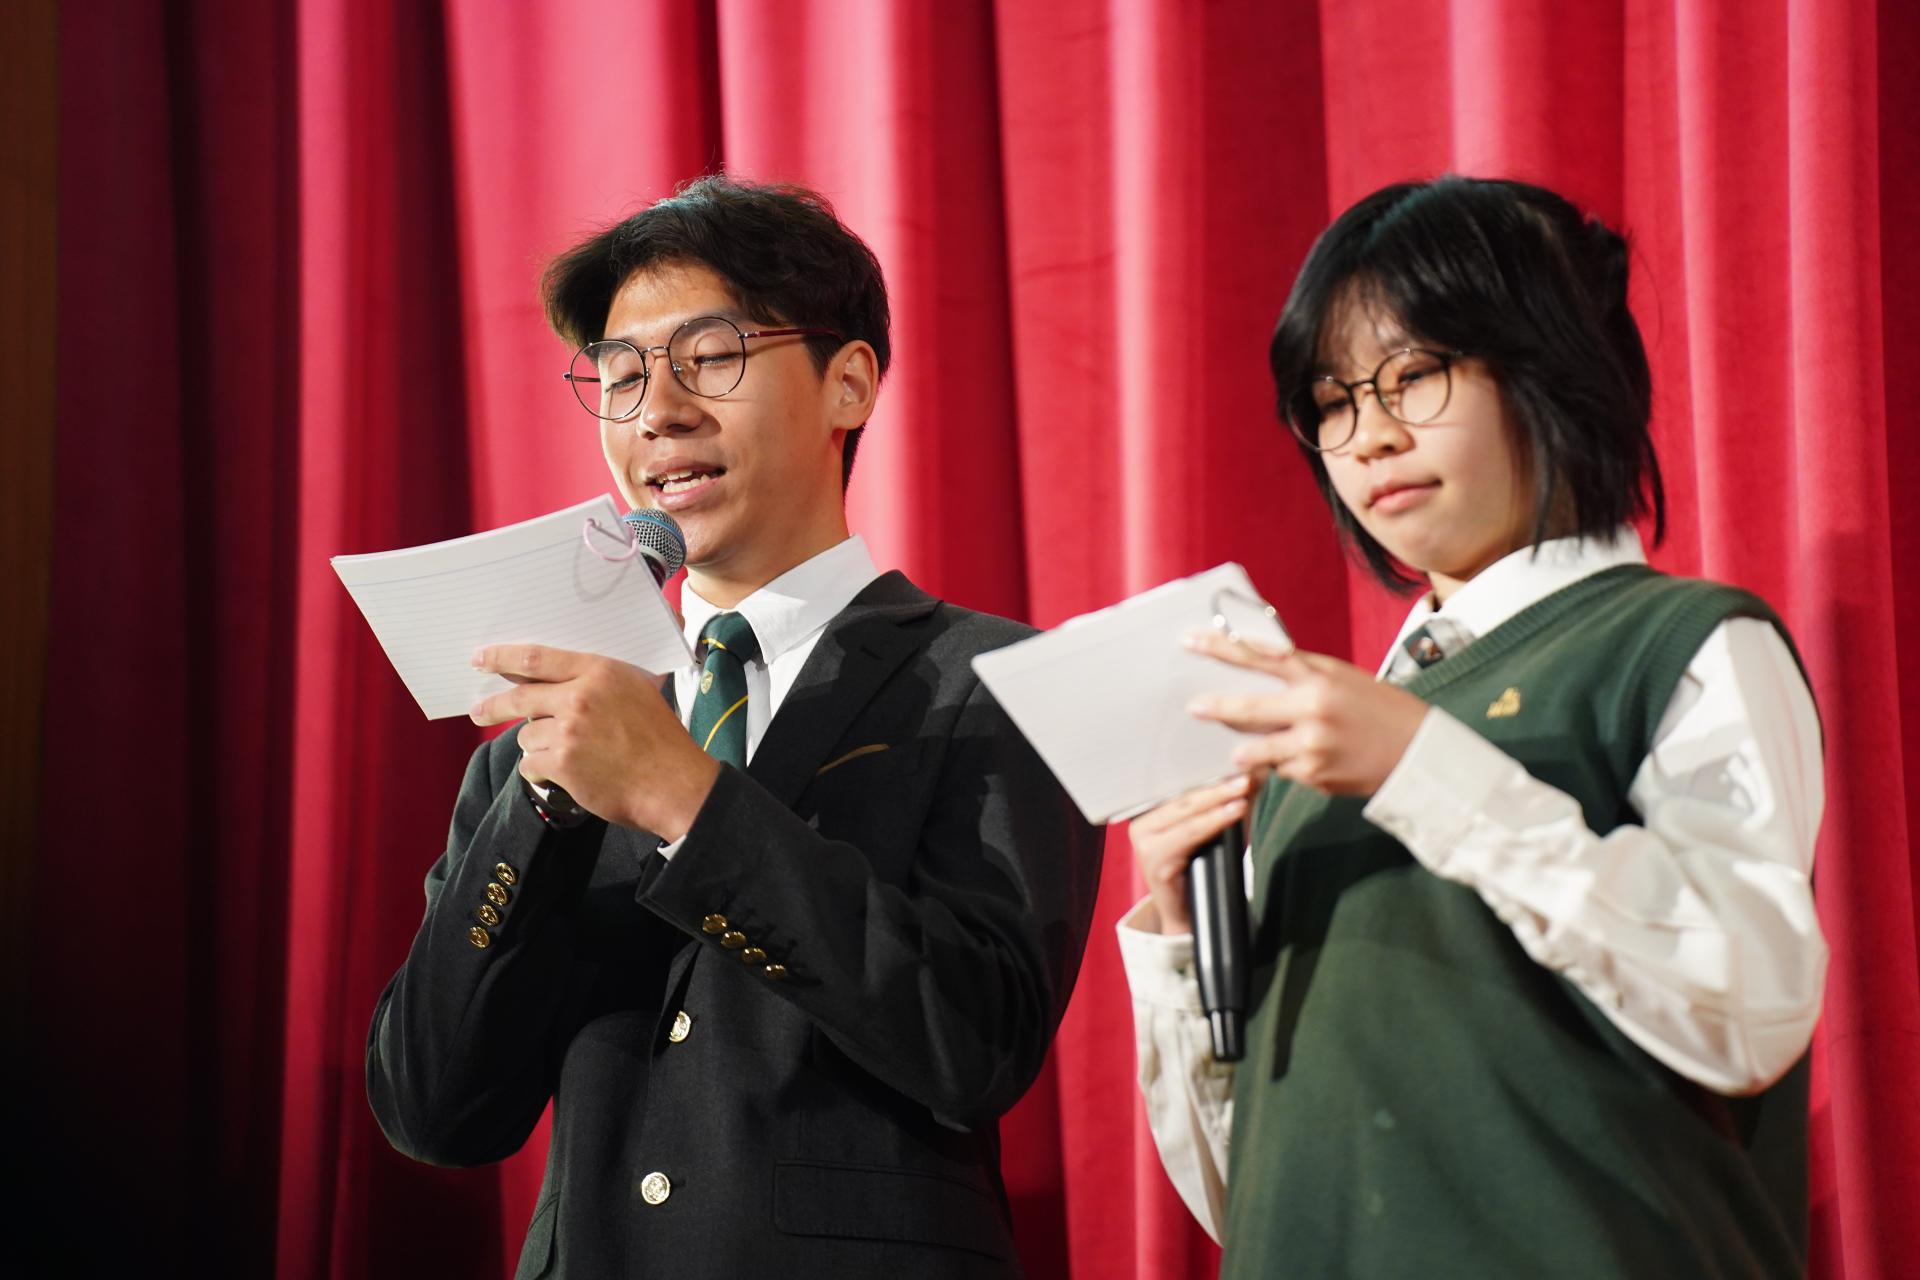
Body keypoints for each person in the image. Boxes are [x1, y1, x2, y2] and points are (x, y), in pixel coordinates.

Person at [366, 175, 1104, 1279]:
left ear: (849, 382)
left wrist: (686, 798)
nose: (656, 411)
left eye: (710, 356)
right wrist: (540, 808)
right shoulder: (547, 741)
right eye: (622, 376)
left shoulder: (1003, 681)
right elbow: (435, 1110)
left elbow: (976, 1043)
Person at [1120, 176, 1826, 1278]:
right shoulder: (1309, 752)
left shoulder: (1678, 644)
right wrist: (1176, 938)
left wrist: (1419, 767)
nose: (1370, 436)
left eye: (1416, 374)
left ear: (1551, 369)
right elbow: (1250, 1188)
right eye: (1332, 401)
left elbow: (1749, 1005)